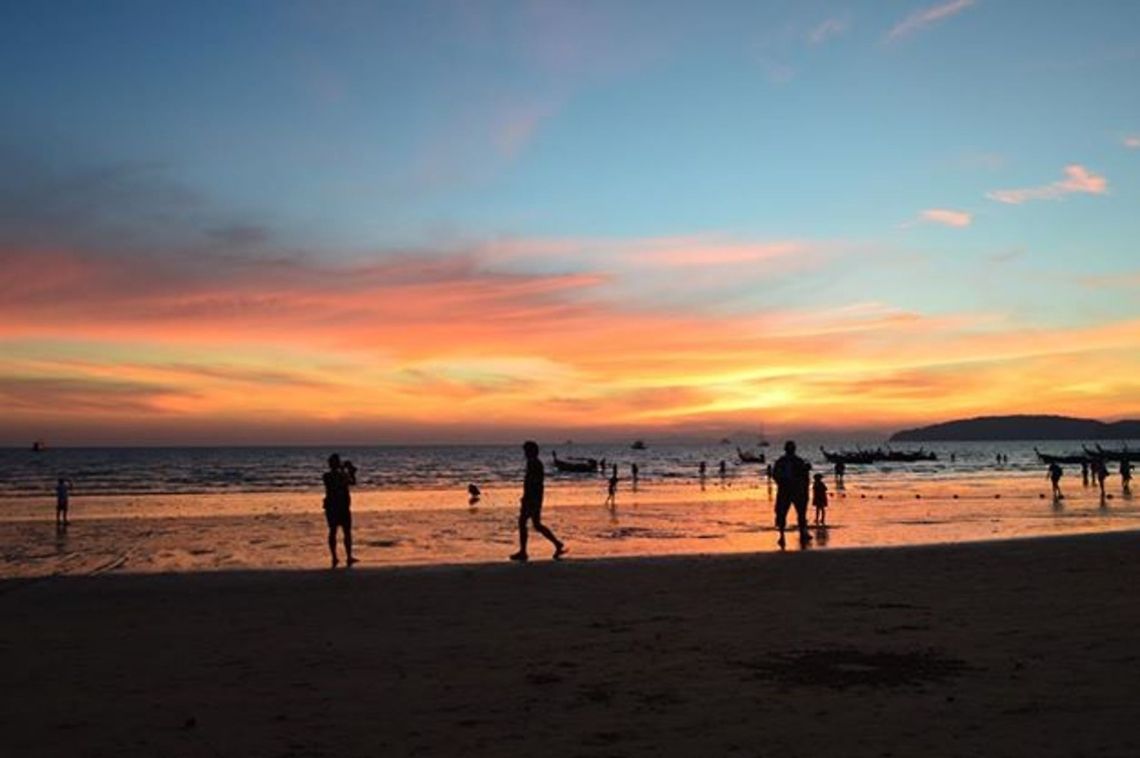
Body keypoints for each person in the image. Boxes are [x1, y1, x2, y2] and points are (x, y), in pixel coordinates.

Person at [510, 441, 566, 562]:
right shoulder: (536, 463)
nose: (524, 453)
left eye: (526, 451)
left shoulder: (533, 463)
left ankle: (523, 551)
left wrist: (527, 498)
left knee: (522, 523)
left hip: (532, 498)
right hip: (536, 498)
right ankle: (557, 544)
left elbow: (533, 483)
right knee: (536, 524)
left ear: (530, 452)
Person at [772, 440, 812, 547]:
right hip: (794, 490)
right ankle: (798, 533)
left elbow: (775, 476)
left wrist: (782, 483)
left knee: (783, 514)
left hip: (788, 490)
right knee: (798, 514)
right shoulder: (797, 461)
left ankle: (783, 536)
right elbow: (806, 478)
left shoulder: (782, 461)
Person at [322, 453, 358, 568]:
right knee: (334, 531)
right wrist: (345, 471)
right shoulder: (327, 476)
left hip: (342, 507)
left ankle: (348, 556)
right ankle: (335, 556)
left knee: (346, 532)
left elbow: (352, 482)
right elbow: (341, 483)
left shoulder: (340, 475)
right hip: (334, 507)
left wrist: (351, 472)